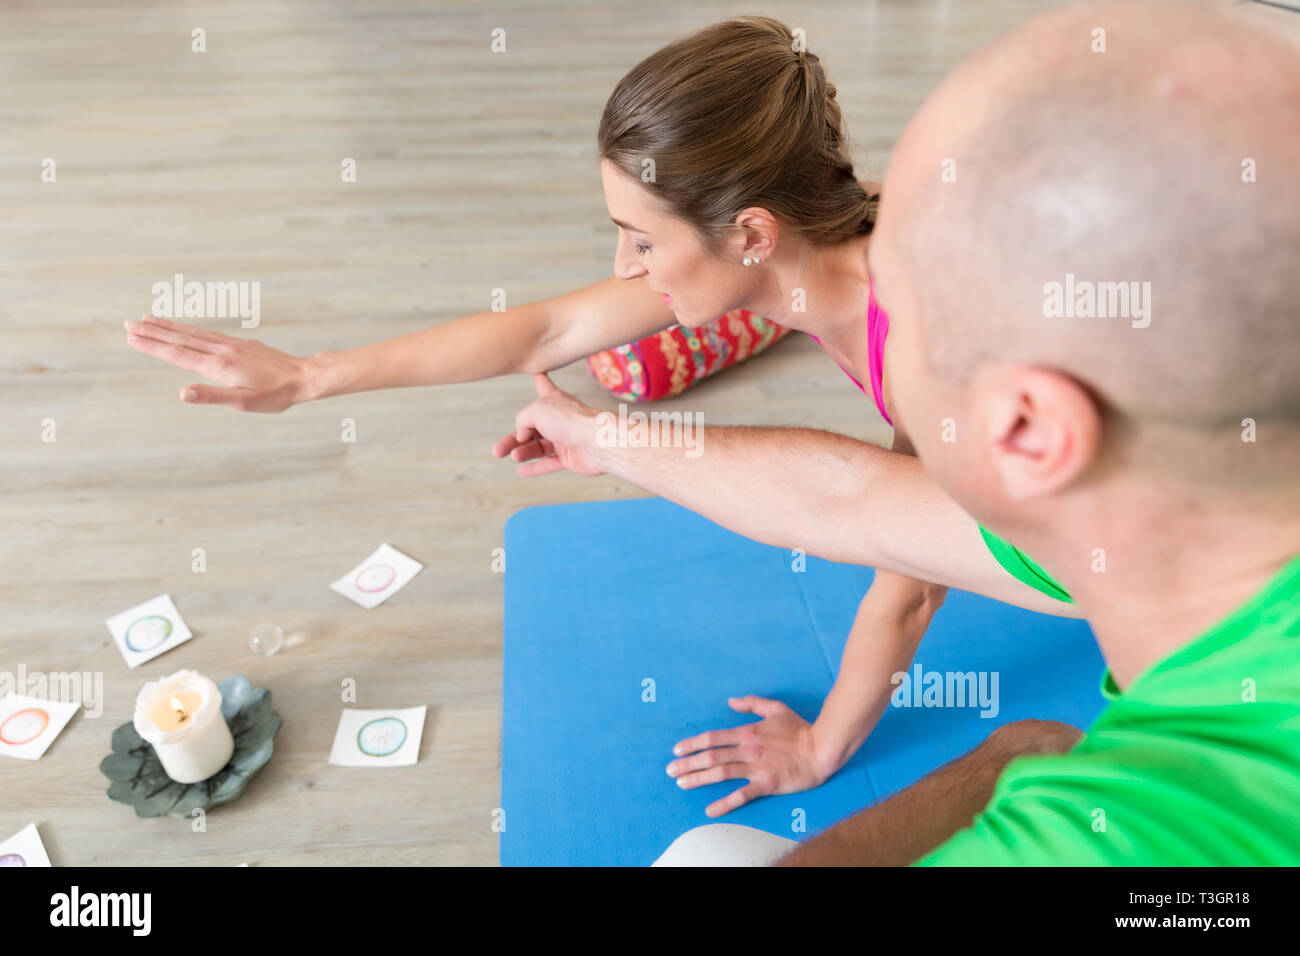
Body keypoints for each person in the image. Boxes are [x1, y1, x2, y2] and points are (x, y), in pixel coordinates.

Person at [125, 16, 1078, 819]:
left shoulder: (919, 337)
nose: (624, 268)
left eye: (641, 240)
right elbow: (550, 326)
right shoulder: (812, 235)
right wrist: (307, 378)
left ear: (751, 233)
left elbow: (907, 575)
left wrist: (822, 752)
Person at [532, 0, 1300, 865]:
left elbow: (871, 523)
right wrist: (603, 439)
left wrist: (1009, 760)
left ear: (1027, 427)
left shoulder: (1116, 836)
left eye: (906, 279)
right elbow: (847, 499)